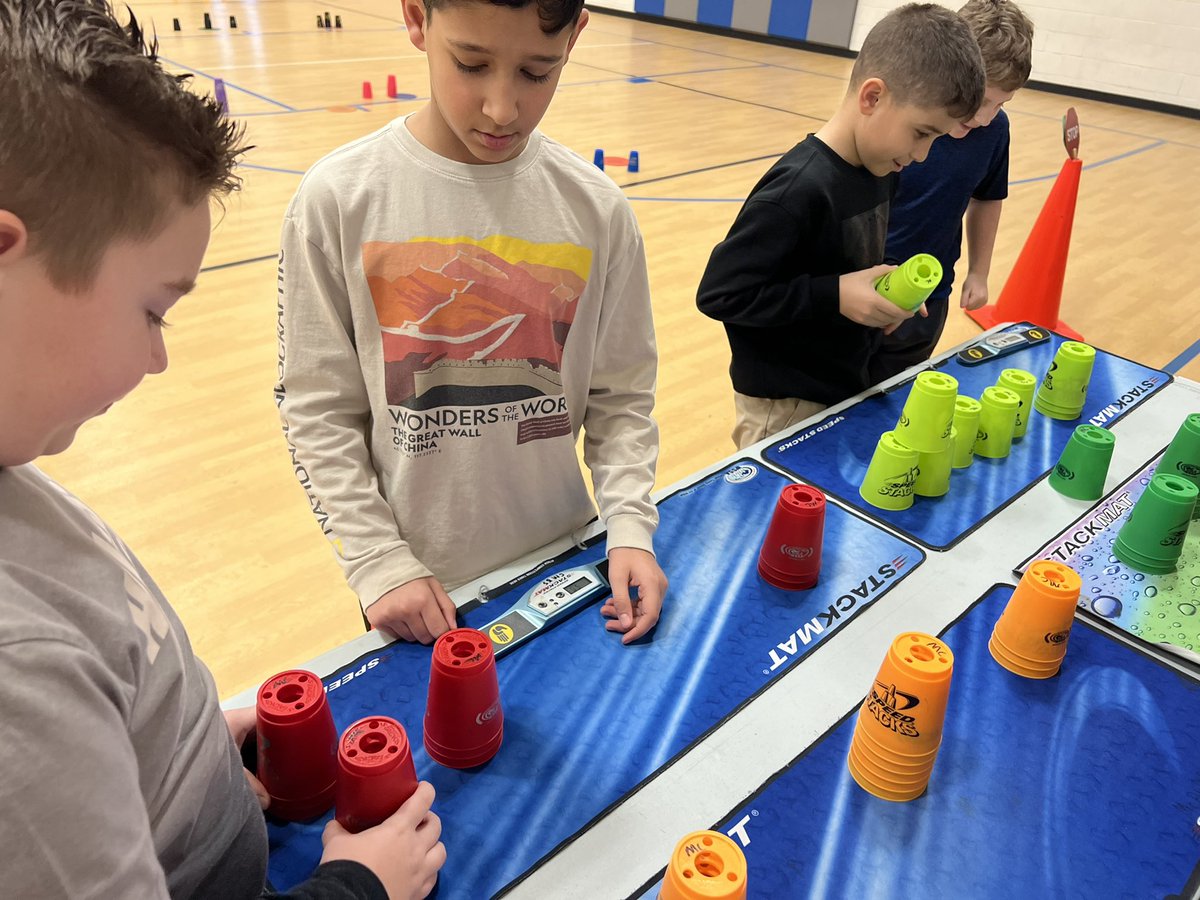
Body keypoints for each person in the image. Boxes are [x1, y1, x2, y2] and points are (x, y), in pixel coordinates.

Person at [0, 2, 445, 897]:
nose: (159, 358)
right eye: (153, 310)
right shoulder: (17, 678)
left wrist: (189, 741)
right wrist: (358, 887)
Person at [275, 0, 667, 645]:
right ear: (416, 19)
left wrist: (629, 525)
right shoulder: (337, 199)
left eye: (537, 73)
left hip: (566, 564)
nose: (501, 108)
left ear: (576, 36)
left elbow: (621, 397)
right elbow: (317, 406)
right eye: (471, 64)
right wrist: (377, 560)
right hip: (416, 588)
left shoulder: (598, 210)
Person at [696, 3, 985, 450]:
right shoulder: (797, 190)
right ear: (872, 97)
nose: (923, 154)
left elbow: (840, 263)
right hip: (785, 404)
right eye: (922, 133)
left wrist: (881, 290)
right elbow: (721, 293)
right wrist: (836, 294)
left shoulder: (881, 170)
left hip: (840, 385)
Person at [871, 0, 1035, 383]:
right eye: (980, 100)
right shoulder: (904, 122)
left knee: (895, 400)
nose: (985, 117)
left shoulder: (994, 131)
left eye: (1001, 103)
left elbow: (987, 197)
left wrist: (979, 272)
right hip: (870, 286)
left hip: (930, 297)